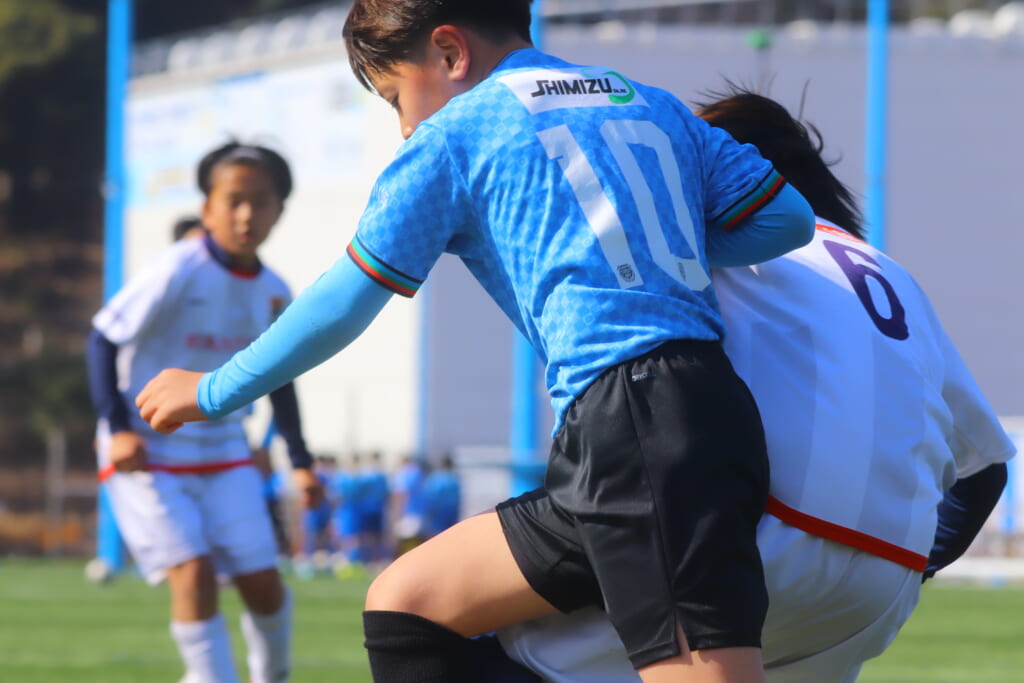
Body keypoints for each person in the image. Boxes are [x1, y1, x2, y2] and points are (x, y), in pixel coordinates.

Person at [135, 3, 817, 681]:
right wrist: (648, 247)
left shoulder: (456, 134)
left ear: (450, 52)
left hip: (637, 422)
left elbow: (341, 301)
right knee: (406, 607)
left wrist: (213, 389)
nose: (404, 125)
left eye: (395, 97)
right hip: (673, 415)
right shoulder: (647, 100)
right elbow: (788, 220)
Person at [493, 88, 1017, 683]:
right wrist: (902, 564)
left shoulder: (707, 244)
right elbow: (985, 471)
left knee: (480, 634)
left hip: (747, 541)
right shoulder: (887, 273)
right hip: (879, 588)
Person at [86, 140, 324, 683]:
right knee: (192, 572)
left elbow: (281, 379)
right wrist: (118, 429)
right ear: (207, 207)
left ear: (279, 211)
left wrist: (301, 462)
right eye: (233, 200)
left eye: (260, 202)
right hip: (149, 450)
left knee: (263, 583)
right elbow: (102, 337)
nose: (246, 214)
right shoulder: (176, 268)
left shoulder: (274, 291)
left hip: (224, 449)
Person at [421, 454, 462, 539]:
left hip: (439, 511)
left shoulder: (436, 477)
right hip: (452, 510)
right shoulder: (454, 478)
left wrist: (428, 511)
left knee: (436, 535)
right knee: (450, 534)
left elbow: (431, 495)